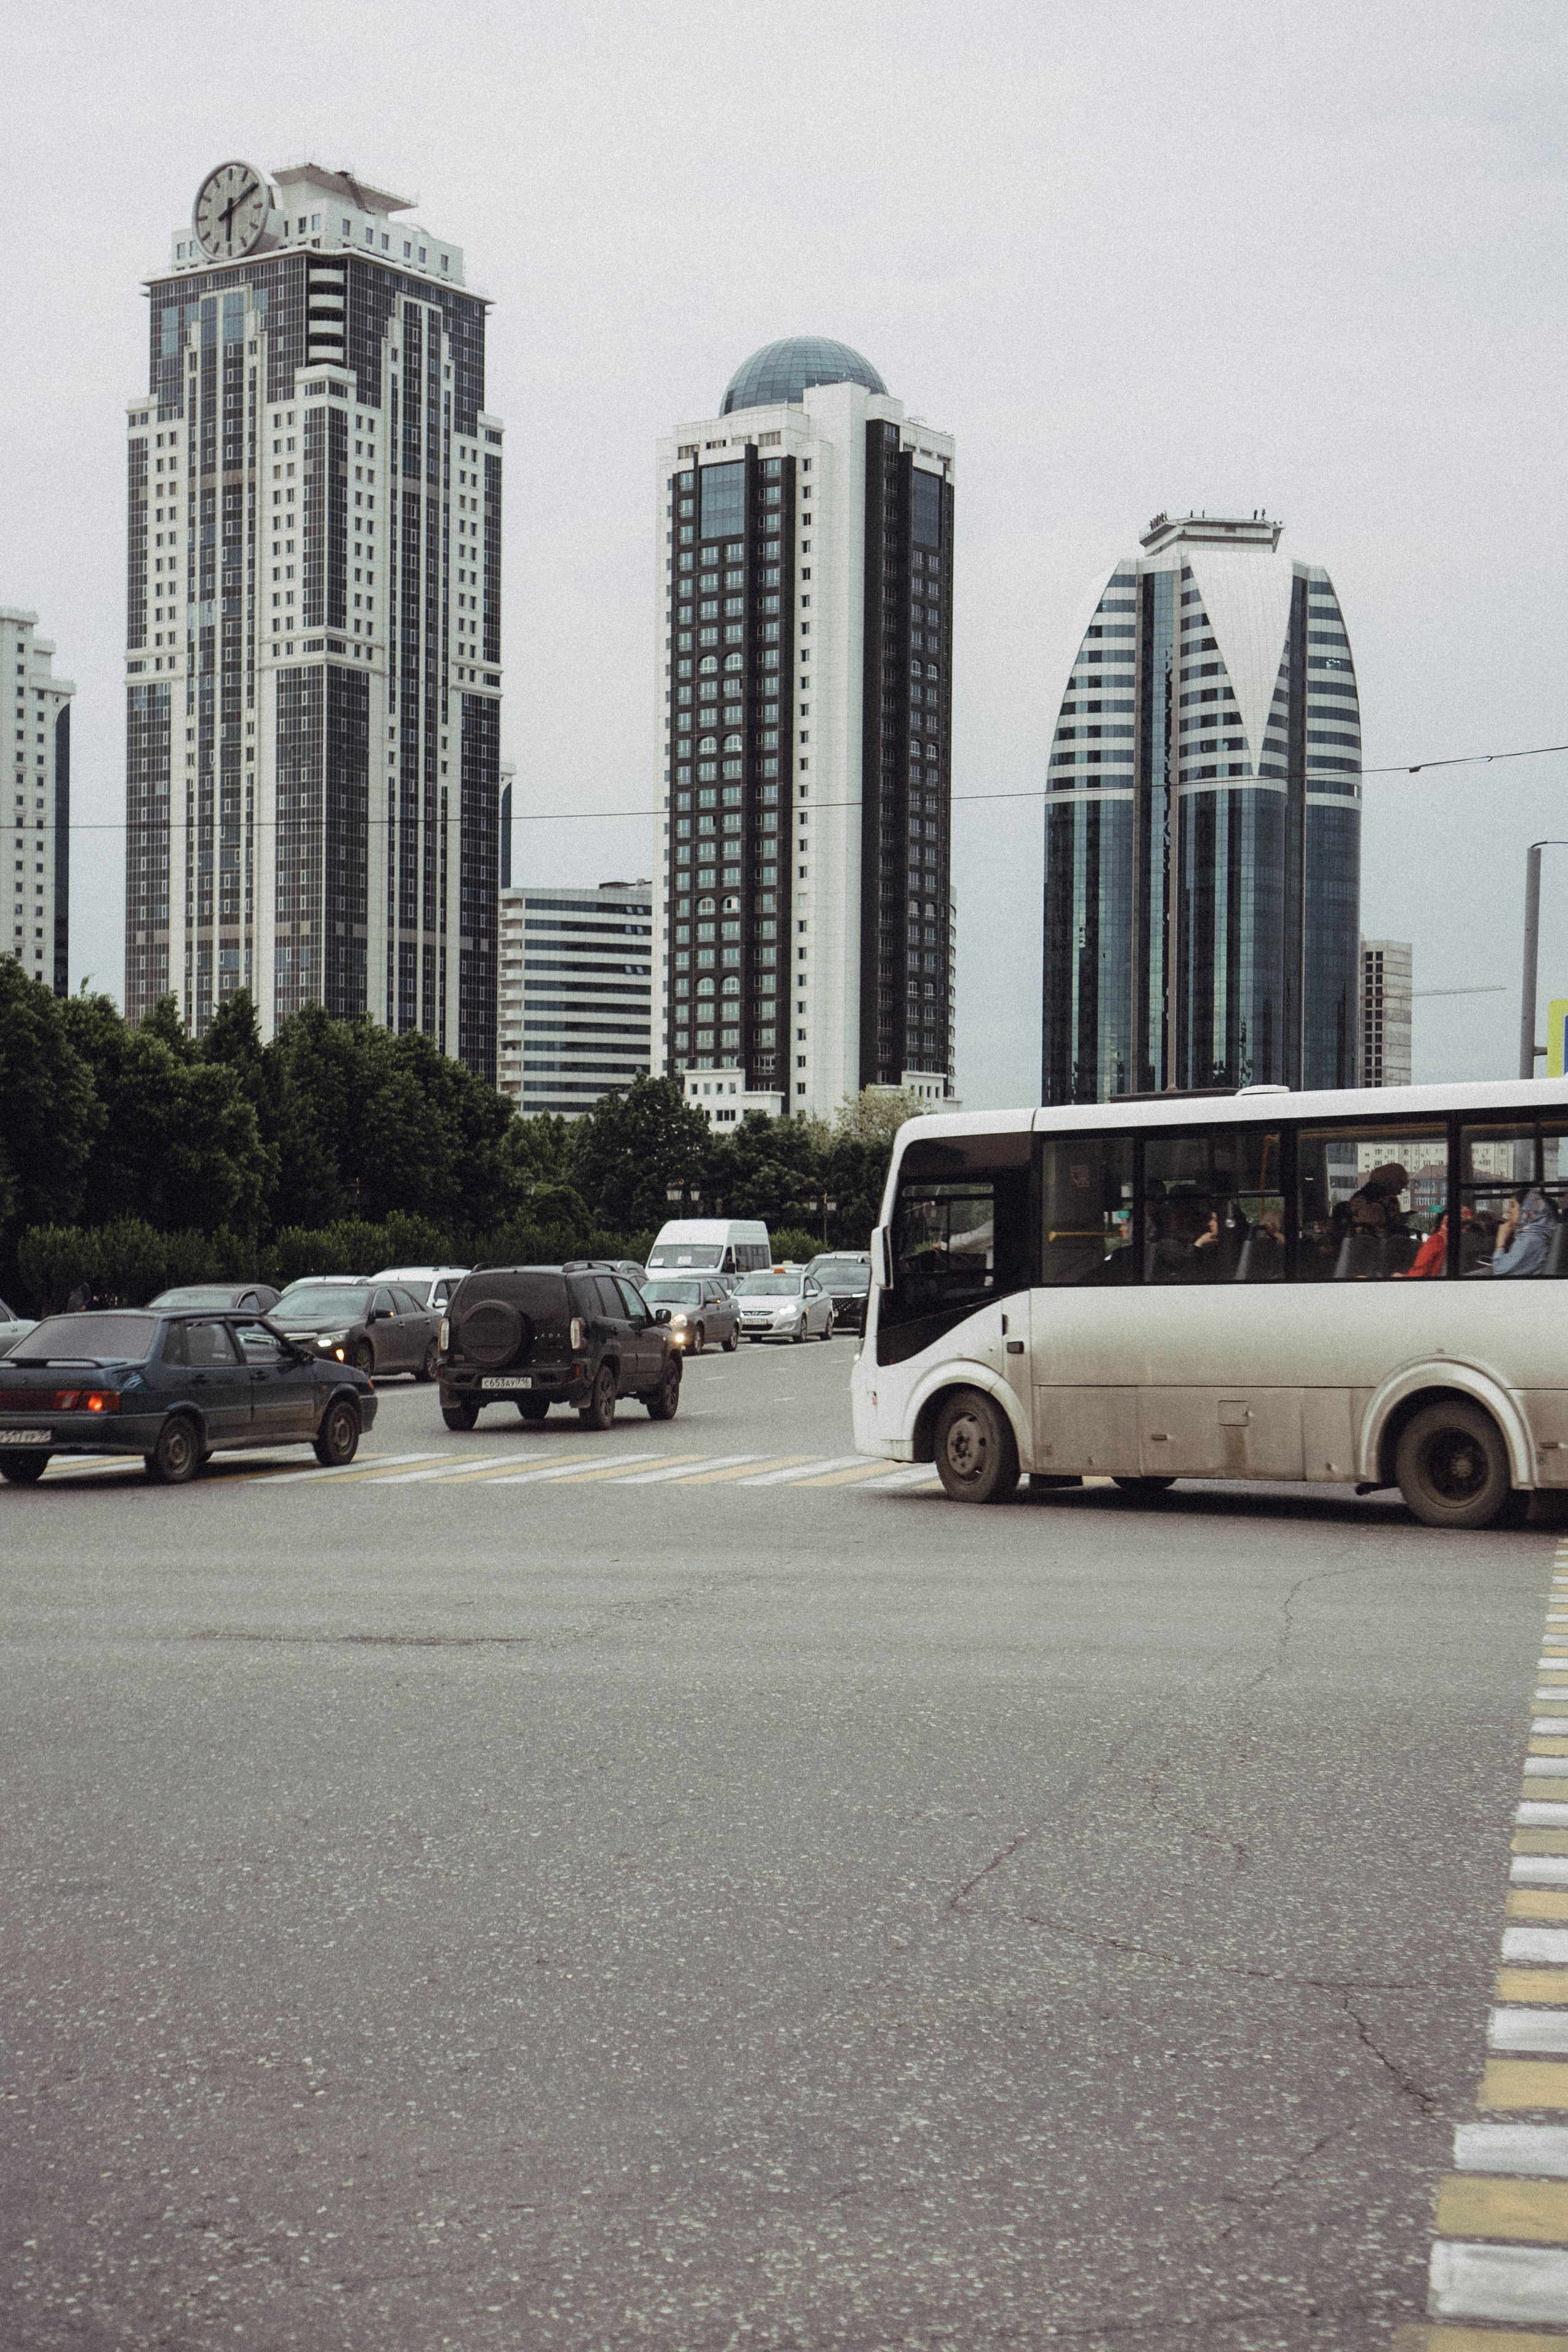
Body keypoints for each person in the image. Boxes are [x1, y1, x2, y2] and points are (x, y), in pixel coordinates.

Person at [1492, 1189, 1555, 1279]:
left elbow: (1499, 1270)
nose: (1508, 1210)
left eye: (1513, 1206)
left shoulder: (1530, 1239)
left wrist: (1500, 1242)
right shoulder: (1539, 1233)